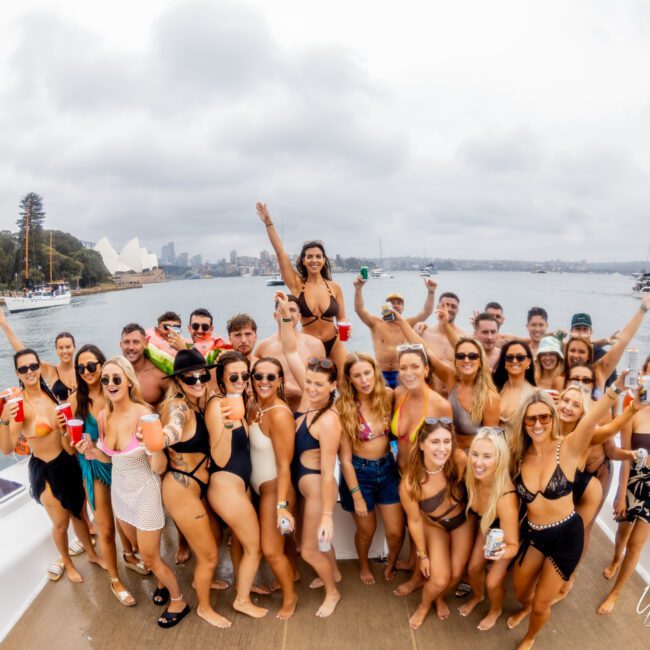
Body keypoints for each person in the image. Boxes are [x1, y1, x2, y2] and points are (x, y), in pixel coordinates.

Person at [506, 380, 626, 649]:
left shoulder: (568, 445)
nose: (537, 424)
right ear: (523, 423)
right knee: (521, 589)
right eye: (530, 420)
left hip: (566, 537)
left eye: (543, 417)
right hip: (535, 535)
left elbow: (597, 417)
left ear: (552, 416)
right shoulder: (519, 454)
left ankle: (530, 637)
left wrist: (618, 390)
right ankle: (528, 606)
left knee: (540, 606)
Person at [83, 356, 189, 628]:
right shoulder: (103, 416)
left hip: (145, 490)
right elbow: (111, 458)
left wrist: (155, 447)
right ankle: (159, 583)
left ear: (129, 382)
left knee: (151, 556)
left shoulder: (144, 414)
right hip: (120, 492)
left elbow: (159, 466)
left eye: (116, 378)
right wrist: (93, 452)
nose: (110, 384)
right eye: (105, 379)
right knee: (143, 553)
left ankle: (178, 600)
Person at [6, 349, 103, 583]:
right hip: (46, 469)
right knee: (60, 523)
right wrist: (2, 418)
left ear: (39, 367)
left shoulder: (51, 396)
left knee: (79, 514)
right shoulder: (18, 405)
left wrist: (64, 429)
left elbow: (67, 438)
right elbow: (7, 448)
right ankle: (67, 563)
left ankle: (91, 554)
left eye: (33, 366)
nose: (29, 372)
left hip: (68, 462)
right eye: (23, 368)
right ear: (17, 372)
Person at [59, 344, 142, 605]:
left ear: (102, 365)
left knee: (127, 517)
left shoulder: (113, 391)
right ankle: (115, 581)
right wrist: (65, 434)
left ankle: (129, 555)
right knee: (105, 529)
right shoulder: (75, 402)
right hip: (93, 467)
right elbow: (68, 448)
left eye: (92, 366)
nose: (86, 372)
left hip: (119, 463)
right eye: (80, 368)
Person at [277, 292, 343, 617]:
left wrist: (329, 515)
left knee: (308, 551)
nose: (313, 388)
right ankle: (336, 573)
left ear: (333, 387)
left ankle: (332, 592)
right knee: (316, 547)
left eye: (319, 384)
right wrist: (284, 316)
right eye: (310, 382)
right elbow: (290, 348)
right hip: (303, 485)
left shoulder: (329, 420)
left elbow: (330, 470)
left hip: (317, 489)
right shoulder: (306, 400)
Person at [158, 349, 232, 628]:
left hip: (196, 487)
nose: (199, 382)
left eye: (203, 376)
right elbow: (173, 430)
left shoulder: (197, 401)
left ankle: (205, 577)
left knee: (212, 539)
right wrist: (163, 437)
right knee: (211, 555)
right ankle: (203, 608)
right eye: (191, 379)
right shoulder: (179, 407)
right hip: (181, 489)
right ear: (178, 381)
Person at [206, 351, 268, 619]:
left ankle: (245, 582)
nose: (241, 380)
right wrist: (229, 424)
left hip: (239, 484)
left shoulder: (240, 401)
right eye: (234, 376)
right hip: (225, 485)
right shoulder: (217, 406)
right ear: (221, 380)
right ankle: (241, 601)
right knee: (255, 547)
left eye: (246, 375)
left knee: (241, 543)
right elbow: (218, 457)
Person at [399, 417, 475, 630]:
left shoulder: (459, 459)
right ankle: (424, 605)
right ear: (422, 445)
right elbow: (414, 521)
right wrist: (422, 555)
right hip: (436, 527)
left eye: (447, 441)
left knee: (456, 574)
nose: (443, 448)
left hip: (463, 522)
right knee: (440, 578)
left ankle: (438, 598)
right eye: (435, 442)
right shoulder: (410, 483)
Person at [337, 352, 404, 584]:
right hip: (358, 472)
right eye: (357, 375)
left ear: (375, 372)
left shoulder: (388, 395)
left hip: (387, 468)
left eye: (367, 373)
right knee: (367, 530)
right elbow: (344, 459)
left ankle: (393, 561)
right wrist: (356, 495)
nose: (364, 380)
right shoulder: (343, 407)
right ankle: (364, 563)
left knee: (395, 531)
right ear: (349, 379)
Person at [257, 202, 348, 371]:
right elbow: (280, 253)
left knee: (345, 385)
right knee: (313, 387)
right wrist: (268, 222)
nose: (314, 260)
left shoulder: (334, 287)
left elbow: (342, 318)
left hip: (335, 342)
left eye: (318, 256)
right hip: (308, 344)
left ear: (324, 260)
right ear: (304, 261)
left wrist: (345, 327)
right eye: (310, 256)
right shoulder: (297, 285)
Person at [396, 313, 499, 451]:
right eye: (460, 356)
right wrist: (401, 322)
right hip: (445, 453)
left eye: (473, 356)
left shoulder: (489, 397)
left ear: (480, 361)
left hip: (473, 457)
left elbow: (490, 439)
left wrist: (456, 440)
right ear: (455, 361)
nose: (466, 360)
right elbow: (426, 351)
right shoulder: (452, 380)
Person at [248, 355, 298, 620]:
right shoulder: (253, 405)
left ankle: (290, 597)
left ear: (279, 380)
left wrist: (281, 506)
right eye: (258, 376)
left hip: (275, 488)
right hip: (257, 486)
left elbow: (284, 465)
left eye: (270, 377)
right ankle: (292, 576)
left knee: (270, 549)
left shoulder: (279, 414)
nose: (264, 382)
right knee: (283, 544)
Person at [598, 376, 649, 615]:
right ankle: (616, 558)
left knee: (637, 545)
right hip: (633, 484)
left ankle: (615, 593)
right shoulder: (636, 412)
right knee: (623, 531)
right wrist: (619, 494)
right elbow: (624, 457)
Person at [459, 427, 519, 631]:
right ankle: (478, 595)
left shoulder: (505, 497)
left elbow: (513, 544)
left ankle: (496, 609)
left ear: (500, 459)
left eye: (487, 456)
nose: (478, 462)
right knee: (473, 568)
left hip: (502, 534)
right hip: (483, 524)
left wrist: (502, 553)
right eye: (475, 454)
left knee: (493, 580)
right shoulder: (471, 476)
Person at [353, 276, 437, 387]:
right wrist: (358, 289)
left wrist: (431, 291)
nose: (395, 305)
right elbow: (359, 309)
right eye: (392, 303)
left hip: (401, 373)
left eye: (399, 303)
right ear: (384, 307)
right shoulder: (375, 323)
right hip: (381, 373)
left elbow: (426, 312)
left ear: (403, 308)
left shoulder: (407, 324)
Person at [564, 296, 650, 394]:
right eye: (572, 350)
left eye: (582, 352)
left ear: (589, 355)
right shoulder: (559, 373)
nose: (576, 355)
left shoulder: (599, 372)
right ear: (566, 352)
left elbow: (623, 341)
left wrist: (643, 309)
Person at [254, 295, 325, 411]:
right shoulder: (263, 347)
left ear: (299, 316)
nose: (287, 313)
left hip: (305, 411)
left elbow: (324, 382)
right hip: (274, 412)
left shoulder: (315, 345)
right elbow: (253, 385)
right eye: (283, 310)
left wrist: (296, 391)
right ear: (275, 315)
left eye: (292, 310)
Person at [0, 310, 76, 400]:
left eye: (68, 347)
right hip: (62, 413)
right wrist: (4, 324)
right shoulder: (51, 370)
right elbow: (23, 352)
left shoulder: (84, 370)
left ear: (74, 348)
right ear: (56, 350)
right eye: (61, 348)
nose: (65, 351)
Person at [419, 292, 465, 395]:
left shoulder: (465, 337)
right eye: (445, 305)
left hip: (456, 395)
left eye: (453, 306)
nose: (448, 309)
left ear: (458, 310)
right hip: (431, 395)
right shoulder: (424, 333)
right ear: (438, 307)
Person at [492, 340, 537, 440]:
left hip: (521, 453)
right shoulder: (494, 388)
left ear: (528, 362)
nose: (514, 361)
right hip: (496, 451)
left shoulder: (535, 394)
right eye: (509, 357)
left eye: (520, 357)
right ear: (504, 362)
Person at [119, 323, 167, 407]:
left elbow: (176, 400)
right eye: (126, 342)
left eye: (136, 342)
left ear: (145, 343)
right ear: (120, 345)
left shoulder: (159, 375)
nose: (131, 347)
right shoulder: (115, 374)